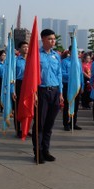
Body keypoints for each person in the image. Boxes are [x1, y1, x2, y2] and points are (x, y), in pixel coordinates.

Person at [32, 29, 63, 164]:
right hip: (42, 92)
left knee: (49, 124)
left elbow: (59, 74)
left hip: (55, 91)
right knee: (40, 123)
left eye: (54, 39)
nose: (53, 41)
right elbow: (32, 76)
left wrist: (60, 92)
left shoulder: (56, 56)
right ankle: (37, 152)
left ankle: (46, 150)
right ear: (43, 39)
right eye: (50, 39)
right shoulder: (36, 55)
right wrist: (34, 93)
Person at [61, 46, 83, 131]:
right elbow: (62, 73)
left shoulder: (78, 62)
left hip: (77, 86)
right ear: (69, 52)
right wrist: (72, 76)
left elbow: (80, 75)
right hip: (68, 85)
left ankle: (73, 123)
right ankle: (66, 123)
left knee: (76, 106)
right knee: (67, 105)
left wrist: (82, 85)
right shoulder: (64, 62)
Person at [13, 41, 28, 138]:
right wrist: (13, 90)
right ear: (19, 49)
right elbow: (13, 76)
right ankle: (18, 130)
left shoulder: (31, 60)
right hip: (19, 84)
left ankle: (26, 129)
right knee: (18, 108)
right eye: (24, 47)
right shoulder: (16, 60)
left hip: (29, 84)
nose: (26, 48)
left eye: (27, 46)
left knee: (28, 108)